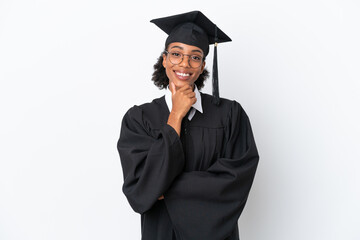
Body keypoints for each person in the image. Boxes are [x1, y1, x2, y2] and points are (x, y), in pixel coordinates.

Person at [117, 11, 259, 240]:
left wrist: (164, 189)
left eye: (195, 57)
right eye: (176, 54)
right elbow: (139, 192)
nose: (185, 63)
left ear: (203, 65)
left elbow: (234, 182)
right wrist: (176, 114)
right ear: (164, 59)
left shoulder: (231, 115)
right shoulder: (138, 119)